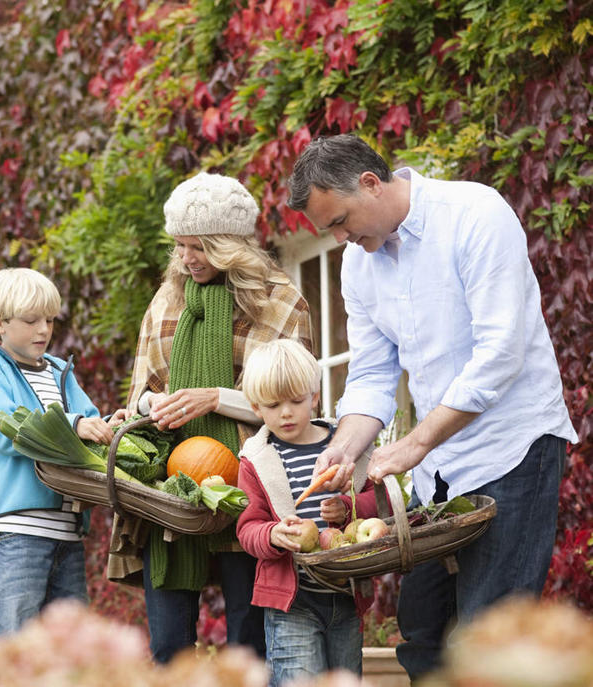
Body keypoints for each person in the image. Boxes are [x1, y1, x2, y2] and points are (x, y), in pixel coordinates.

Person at [286, 134, 578, 683]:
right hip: (440, 474)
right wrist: (344, 450)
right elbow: (372, 372)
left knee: (490, 641)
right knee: (422, 634)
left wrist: (415, 442)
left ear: (371, 183)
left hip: (513, 451)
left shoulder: (474, 214)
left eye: (341, 221)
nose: (342, 238)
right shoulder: (359, 264)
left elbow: (500, 354)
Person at [110, 171, 314, 663]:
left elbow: (295, 403)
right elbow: (142, 391)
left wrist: (215, 398)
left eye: (197, 247)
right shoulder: (166, 299)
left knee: (249, 639)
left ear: (230, 246)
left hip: (249, 487)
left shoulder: (279, 299)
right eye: (179, 246)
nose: (185, 259)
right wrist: (148, 407)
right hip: (172, 489)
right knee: (168, 645)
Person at [0, 267, 126, 635]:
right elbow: (1, 426)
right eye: (32, 320)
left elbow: (89, 420)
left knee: (70, 651)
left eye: (50, 320)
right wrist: (73, 426)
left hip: (68, 533)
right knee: (17, 648)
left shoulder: (56, 370)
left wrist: (111, 424)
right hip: (18, 531)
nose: (43, 330)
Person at [236, 338, 381, 687]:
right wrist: (272, 534)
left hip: (345, 597)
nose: (285, 412)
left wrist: (348, 508)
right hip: (292, 603)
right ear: (256, 408)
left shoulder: (347, 447)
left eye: (296, 401)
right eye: (273, 405)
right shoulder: (257, 458)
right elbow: (246, 527)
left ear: (314, 397)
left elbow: (382, 505)